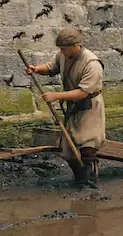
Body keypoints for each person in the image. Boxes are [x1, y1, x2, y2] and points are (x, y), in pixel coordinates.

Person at [25, 27, 106, 189]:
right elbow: (51, 67)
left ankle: (89, 183)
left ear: (76, 45)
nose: (61, 52)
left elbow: (83, 92)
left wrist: (56, 96)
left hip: (90, 106)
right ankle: (79, 179)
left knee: (87, 144)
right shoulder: (63, 55)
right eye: (60, 49)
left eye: (64, 48)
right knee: (68, 149)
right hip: (73, 107)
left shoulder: (92, 64)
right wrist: (37, 69)